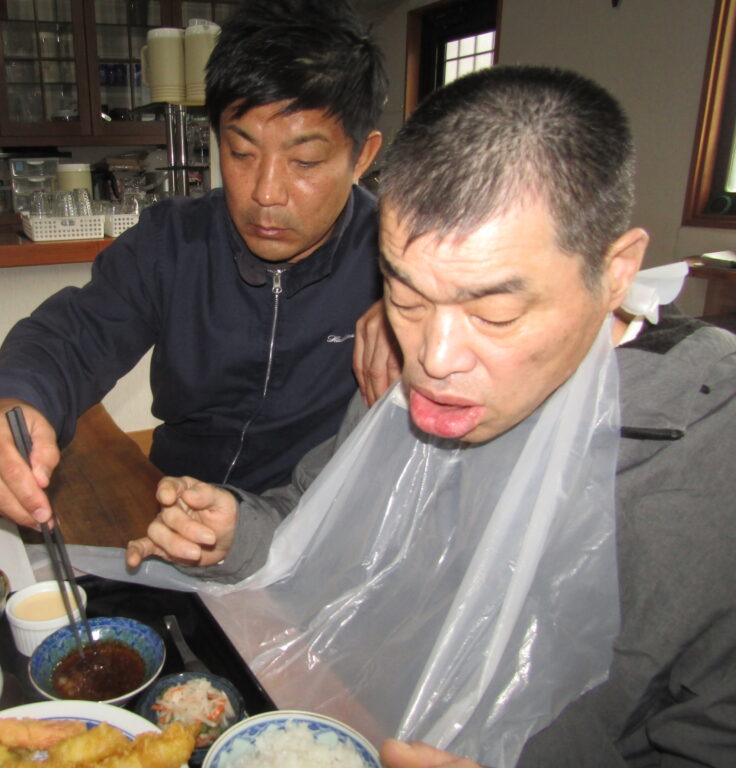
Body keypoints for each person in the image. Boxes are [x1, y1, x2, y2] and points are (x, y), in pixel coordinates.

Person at [125, 65, 736, 766]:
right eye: (406, 298)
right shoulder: (396, 363)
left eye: (495, 313)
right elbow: (315, 521)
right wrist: (236, 533)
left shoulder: (711, 456)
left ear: (616, 272)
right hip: (337, 715)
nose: (434, 361)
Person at [0, 0, 389, 528]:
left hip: (317, 526)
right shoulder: (174, 241)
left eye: (305, 161)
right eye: (241, 152)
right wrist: (10, 402)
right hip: (176, 512)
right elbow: (73, 336)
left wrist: (416, 316)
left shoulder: (402, 262)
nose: (266, 193)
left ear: (361, 157)